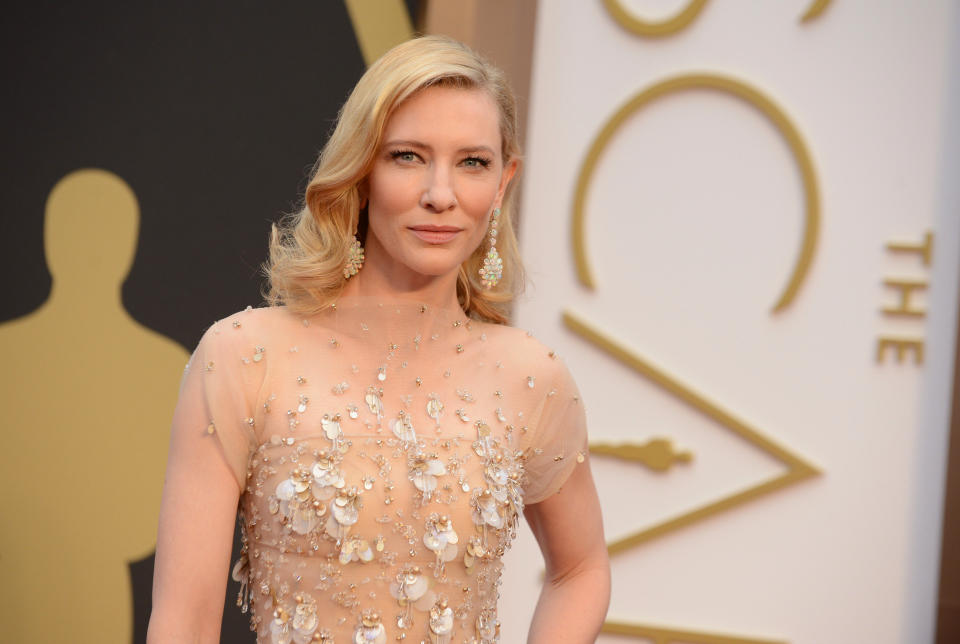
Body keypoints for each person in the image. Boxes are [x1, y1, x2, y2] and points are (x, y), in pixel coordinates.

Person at [148, 34, 610, 644]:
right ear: (362, 167)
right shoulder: (242, 358)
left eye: (472, 162)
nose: (440, 195)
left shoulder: (529, 377)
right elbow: (183, 621)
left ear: (503, 181)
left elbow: (581, 568)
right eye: (408, 157)